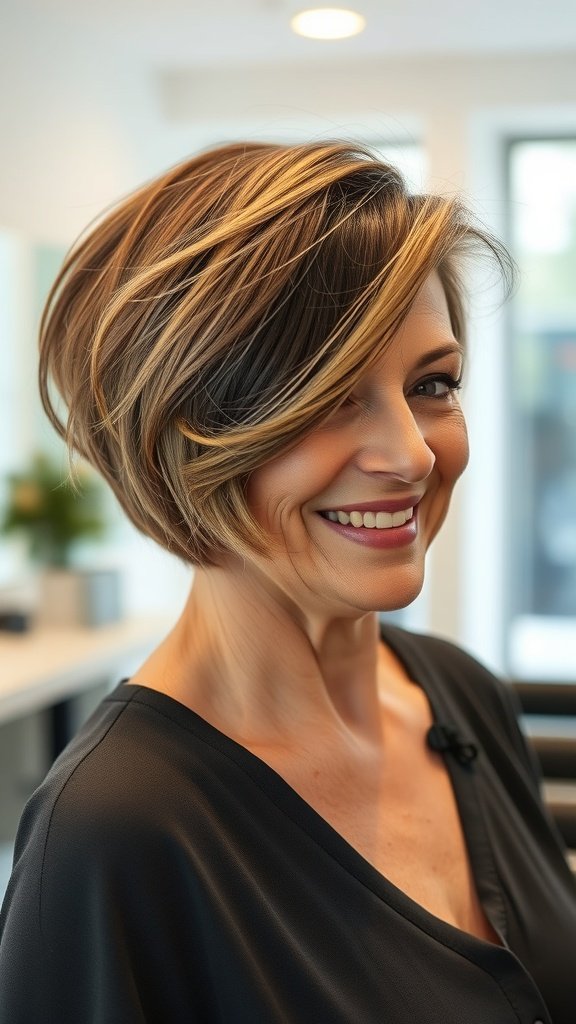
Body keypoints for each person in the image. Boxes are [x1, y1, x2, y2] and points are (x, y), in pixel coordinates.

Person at [1, 140, 575, 1024]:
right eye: (331, 395)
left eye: (434, 383)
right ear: (180, 435)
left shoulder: (458, 693)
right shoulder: (114, 832)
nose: (414, 454)